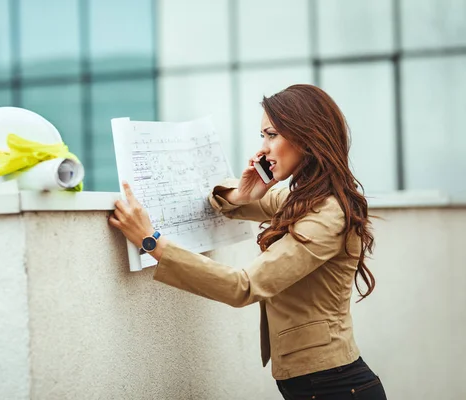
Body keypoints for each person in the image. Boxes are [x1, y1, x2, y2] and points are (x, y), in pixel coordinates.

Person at [108, 84, 387, 399]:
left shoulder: (328, 213)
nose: (264, 149)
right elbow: (232, 203)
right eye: (262, 137)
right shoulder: (306, 199)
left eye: (272, 135)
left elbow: (243, 286)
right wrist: (243, 193)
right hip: (320, 386)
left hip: (335, 388)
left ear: (306, 138)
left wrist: (152, 243)